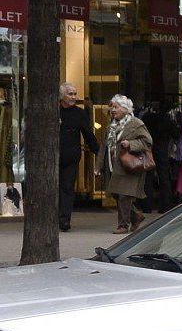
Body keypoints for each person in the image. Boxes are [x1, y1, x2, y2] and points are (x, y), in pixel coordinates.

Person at [100, 95, 153, 233]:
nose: (112, 110)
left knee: (124, 195)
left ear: (125, 109)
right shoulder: (111, 125)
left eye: (116, 107)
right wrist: (98, 165)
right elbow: (104, 146)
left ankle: (123, 225)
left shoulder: (136, 123)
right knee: (116, 194)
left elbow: (147, 142)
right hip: (114, 166)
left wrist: (131, 144)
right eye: (112, 107)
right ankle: (136, 216)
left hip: (130, 166)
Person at [57, 83, 98, 232]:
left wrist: (98, 152)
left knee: (67, 188)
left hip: (71, 157)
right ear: (62, 96)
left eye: (75, 94)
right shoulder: (54, 111)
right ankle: (52, 217)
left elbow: (88, 134)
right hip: (52, 157)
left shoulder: (80, 114)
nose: (74, 97)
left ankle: (64, 220)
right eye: (70, 94)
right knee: (54, 188)